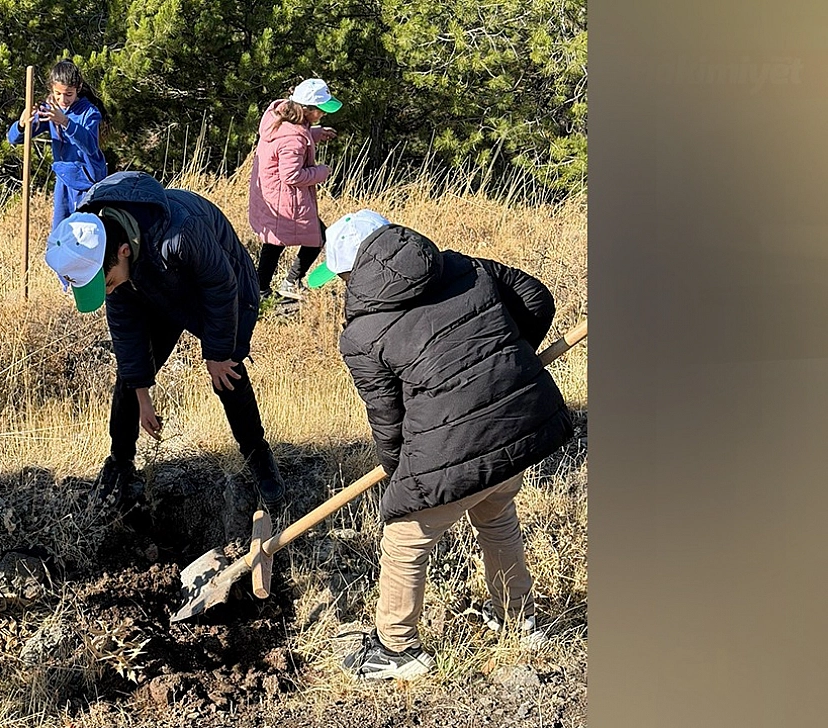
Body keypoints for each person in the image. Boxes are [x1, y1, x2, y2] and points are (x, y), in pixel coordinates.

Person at [306, 212, 574, 680]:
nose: (342, 284)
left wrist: (399, 474)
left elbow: (388, 419)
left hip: (455, 439)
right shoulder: (463, 266)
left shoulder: (361, 335)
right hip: (520, 420)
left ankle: (396, 650)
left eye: (341, 275)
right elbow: (536, 297)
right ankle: (518, 618)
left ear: (354, 270)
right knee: (495, 512)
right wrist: (504, 363)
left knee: (404, 539)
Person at [42, 171, 288, 513]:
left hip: (218, 286)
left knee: (228, 370)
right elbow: (127, 337)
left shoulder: (181, 232)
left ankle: (259, 457)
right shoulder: (107, 255)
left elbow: (221, 287)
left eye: (107, 283)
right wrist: (143, 395)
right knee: (130, 376)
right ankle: (120, 463)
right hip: (153, 285)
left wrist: (216, 353)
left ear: (123, 251)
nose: (109, 290)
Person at [248, 78, 341, 302]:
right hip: (285, 198)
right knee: (317, 237)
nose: (323, 114)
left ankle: (261, 290)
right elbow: (291, 175)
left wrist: (315, 133)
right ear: (306, 109)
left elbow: (292, 137)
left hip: (273, 194)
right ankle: (290, 282)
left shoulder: (280, 117)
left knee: (274, 242)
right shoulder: (294, 139)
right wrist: (321, 172)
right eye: (320, 110)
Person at [8, 59, 109, 227]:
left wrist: (65, 122)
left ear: (78, 88)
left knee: (84, 233)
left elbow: (90, 146)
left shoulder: (89, 112)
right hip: (63, 179)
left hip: (87, 182)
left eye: (68, 94)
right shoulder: (50, 108)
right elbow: (14, 138)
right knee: (60, 233)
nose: (63, 99)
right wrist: (21, 124)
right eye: (58, 93)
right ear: (52, 89)